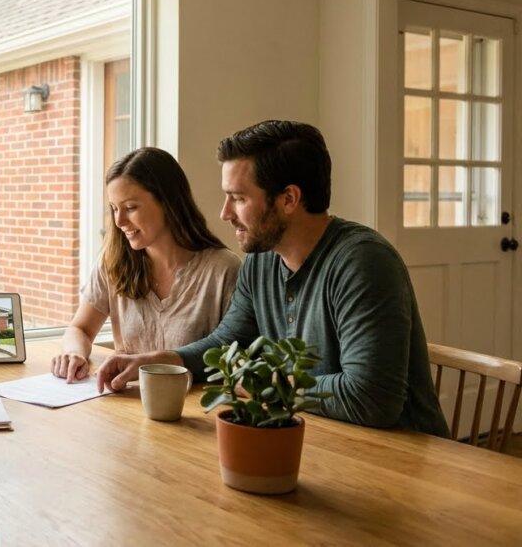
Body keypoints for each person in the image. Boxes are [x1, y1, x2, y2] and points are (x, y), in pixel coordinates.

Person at [96, 121, 450, 437]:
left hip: (402, 458)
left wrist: (257, 381)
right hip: (319, 441)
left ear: (289, 199)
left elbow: (370, 399)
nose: (225, 213)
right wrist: (157, 361)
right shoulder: (260, 261)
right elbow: (226, 342)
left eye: (238, 198)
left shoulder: (363, 262)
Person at [50, 147, 240, 384]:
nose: (119, 221)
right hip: (125, 407)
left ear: (168, 201)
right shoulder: (113, 263)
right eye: (114, 209)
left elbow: (235, 358)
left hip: (192, 412)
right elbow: (81, 329)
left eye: (130, 208)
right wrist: (74, 352)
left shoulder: (223, 269)